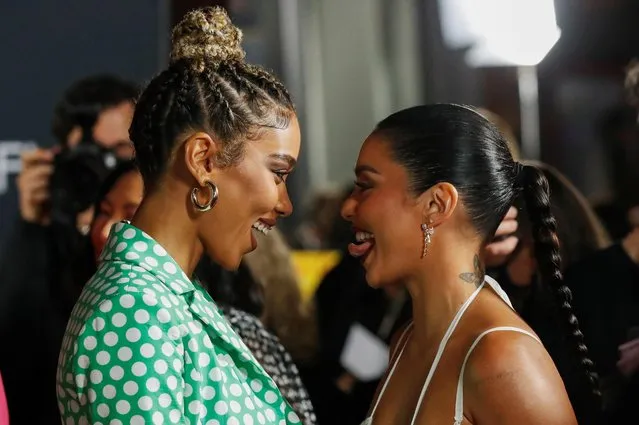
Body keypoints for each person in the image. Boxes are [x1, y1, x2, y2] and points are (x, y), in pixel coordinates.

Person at [57, 6, 304, 424]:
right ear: (202, 159)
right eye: (278, 173)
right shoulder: (135, 310)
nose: (285, 204)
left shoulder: (164, 298)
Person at [341, 104, 598, 424]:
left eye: (365, 185)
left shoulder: (502, 356)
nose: (348, 207)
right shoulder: (406, 339)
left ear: (437, 204)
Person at [0, 75, 137, 425]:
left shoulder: (155, 237)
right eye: (91, 156)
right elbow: (18, 354)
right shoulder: (42, 244)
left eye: (119, 154)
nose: (102, 169)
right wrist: (32, 224)